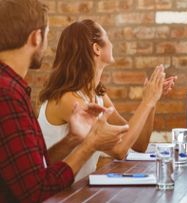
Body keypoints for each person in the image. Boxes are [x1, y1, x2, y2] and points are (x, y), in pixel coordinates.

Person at [0, 0, 129, 202]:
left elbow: (35, 170)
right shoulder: (7, 94)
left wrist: (72, 139)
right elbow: (36, 192)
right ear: (36, 37)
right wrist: (89, 145)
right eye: (47, 35)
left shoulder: (13, 88)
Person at [38, 19, 176, 181]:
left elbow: (138, 144)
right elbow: (119, 150)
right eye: (108, 38)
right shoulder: (69, 100)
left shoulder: (98, 95)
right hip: (56, 194)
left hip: (77, 191)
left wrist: (152, 100)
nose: (112, 43)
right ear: (97, 49)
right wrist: (147, 101)